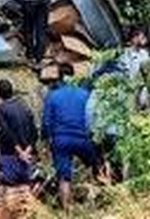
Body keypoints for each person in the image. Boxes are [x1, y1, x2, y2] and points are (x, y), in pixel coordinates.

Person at [42, 63, 103, 213]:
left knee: (64, 177)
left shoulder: (53, 96)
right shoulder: (84, 94)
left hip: (61, 140)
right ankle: (105, 196)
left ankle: (67, 211)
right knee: (97, 166)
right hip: (83, 138)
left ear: (59, 77)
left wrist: (47, 139)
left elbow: (46, 122)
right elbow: (93, 117)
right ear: (73, 75)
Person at [0, 79, 38, 219]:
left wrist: (20, 152)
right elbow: (34, 132)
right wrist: (27, 151)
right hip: (28, 156)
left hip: (10, 155)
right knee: (26, 190)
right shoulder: (24, 106)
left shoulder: (1, 110)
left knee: (11, 191)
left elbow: (6, 133)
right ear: (12, 90)